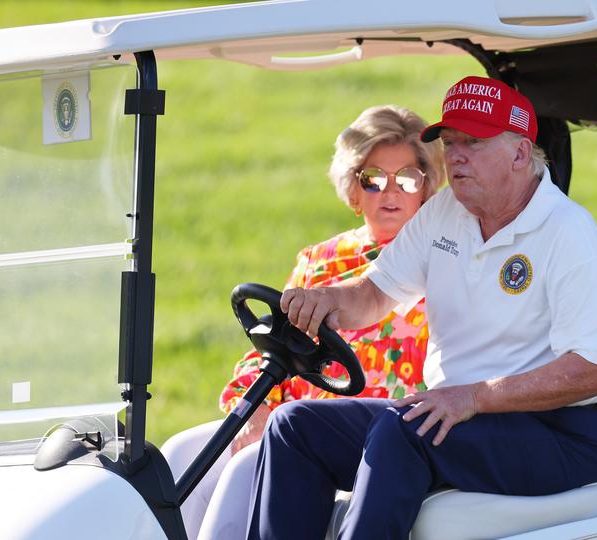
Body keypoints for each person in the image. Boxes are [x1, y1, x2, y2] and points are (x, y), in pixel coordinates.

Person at [248, 76, 597, 540]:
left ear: (520, 153)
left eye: (473, 143)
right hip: (464, 418)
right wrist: (325, 299)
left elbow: (596, 370)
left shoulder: (568, 232)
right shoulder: (446, 210)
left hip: (562, 435)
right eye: (450, 143)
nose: (456, 157)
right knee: (294, 426)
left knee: (404, 430)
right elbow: (375, 293)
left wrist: (474, 396)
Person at [161, 104, 446, 540]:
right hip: (294, 418)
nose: (392, 191)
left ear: (426, 188)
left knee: (244, 469)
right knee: (181, 455)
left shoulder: (443, 254)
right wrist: (255, 407)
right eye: (374, 179)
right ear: (354, 190)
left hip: (376, 435)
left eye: (408, 178)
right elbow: (272, 345)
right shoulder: (320, 261)